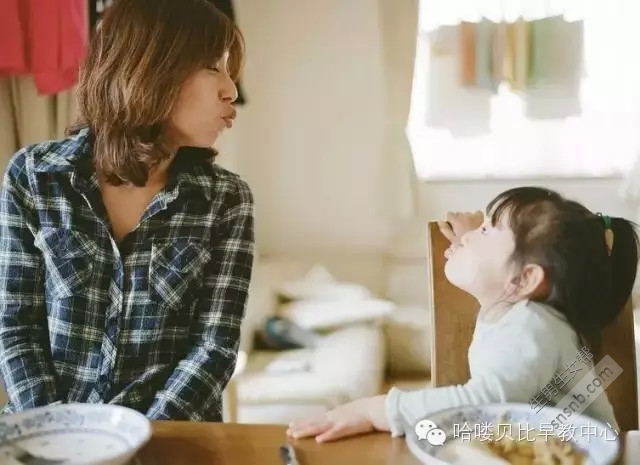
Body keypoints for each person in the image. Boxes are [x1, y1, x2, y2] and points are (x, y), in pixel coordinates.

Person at [0, 0, 254, 422]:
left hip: (171, 443)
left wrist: (135, 442)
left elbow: (214, 346)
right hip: (48, 440)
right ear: (150, 67)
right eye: (214, 66)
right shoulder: (34, 176)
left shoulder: (226, 200)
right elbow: (17, 328)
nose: (232, 88)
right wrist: (64, 439)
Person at [287, 186, 639, 442]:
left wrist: (377, 409)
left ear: (525, 278)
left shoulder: (534, 327)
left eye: (487, 230)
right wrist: (477, 242)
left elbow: (482, 405)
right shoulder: (518, 315)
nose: (468, 238)